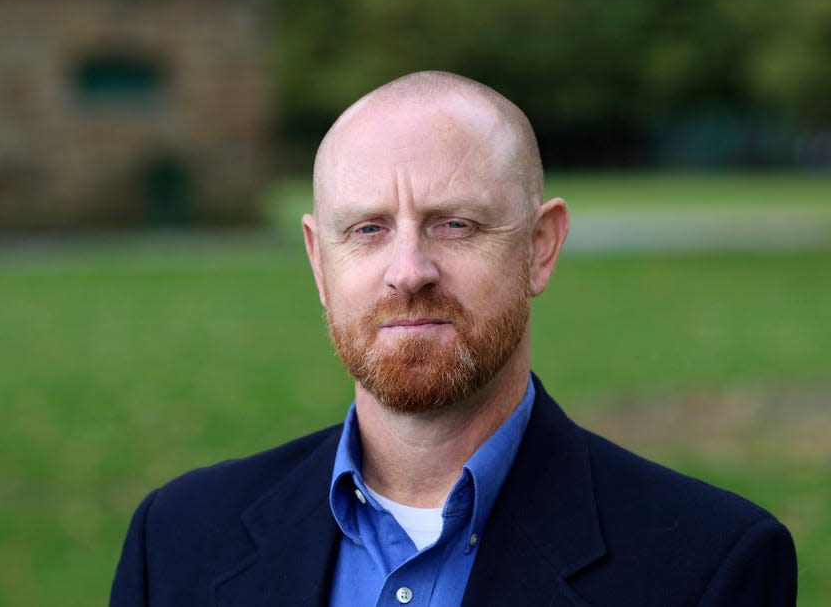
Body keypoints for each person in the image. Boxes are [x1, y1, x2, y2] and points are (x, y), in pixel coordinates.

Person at [110, 71, 797, 606]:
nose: (409, 271)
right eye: (368, 230)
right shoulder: (177, 542)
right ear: (320, 262)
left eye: (455, 224)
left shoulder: (706, 566)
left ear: (540, 247)